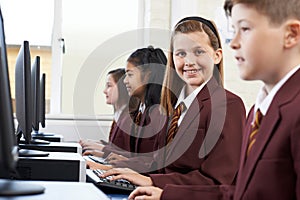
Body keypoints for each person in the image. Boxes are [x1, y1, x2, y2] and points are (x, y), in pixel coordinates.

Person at [129, 0, 300, 199]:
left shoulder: (291, 111)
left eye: (245, 29)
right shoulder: (259, 110)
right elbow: (238, 193)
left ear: (291, 34)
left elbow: (221, 179)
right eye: (234, 30)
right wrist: (162, 191)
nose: (233, 43)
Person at [100, 16, 246, 189]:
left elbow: (217, 182)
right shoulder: (173, 105)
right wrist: (122, 169)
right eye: (181, 54)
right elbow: (161, 164)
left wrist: (152, 181)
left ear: (217, 56)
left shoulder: (228, 105)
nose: (189, 62)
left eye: (199, 51)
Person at [86, 46, 168, 171]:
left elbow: (154, 163)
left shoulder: (159, 113)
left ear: (148, 76)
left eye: (130, 75)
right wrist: (123, 160)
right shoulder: (144, 110)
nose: (124, 81)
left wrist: (105, 165)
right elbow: (140, 157)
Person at [79, 68, 132, 157]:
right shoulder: (120, 115)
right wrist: (98, 144)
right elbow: (116, 146)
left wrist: (100, 147)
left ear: (122, 88)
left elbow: (127, 154)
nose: (104, 91)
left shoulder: (128, 119)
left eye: (109, 86)